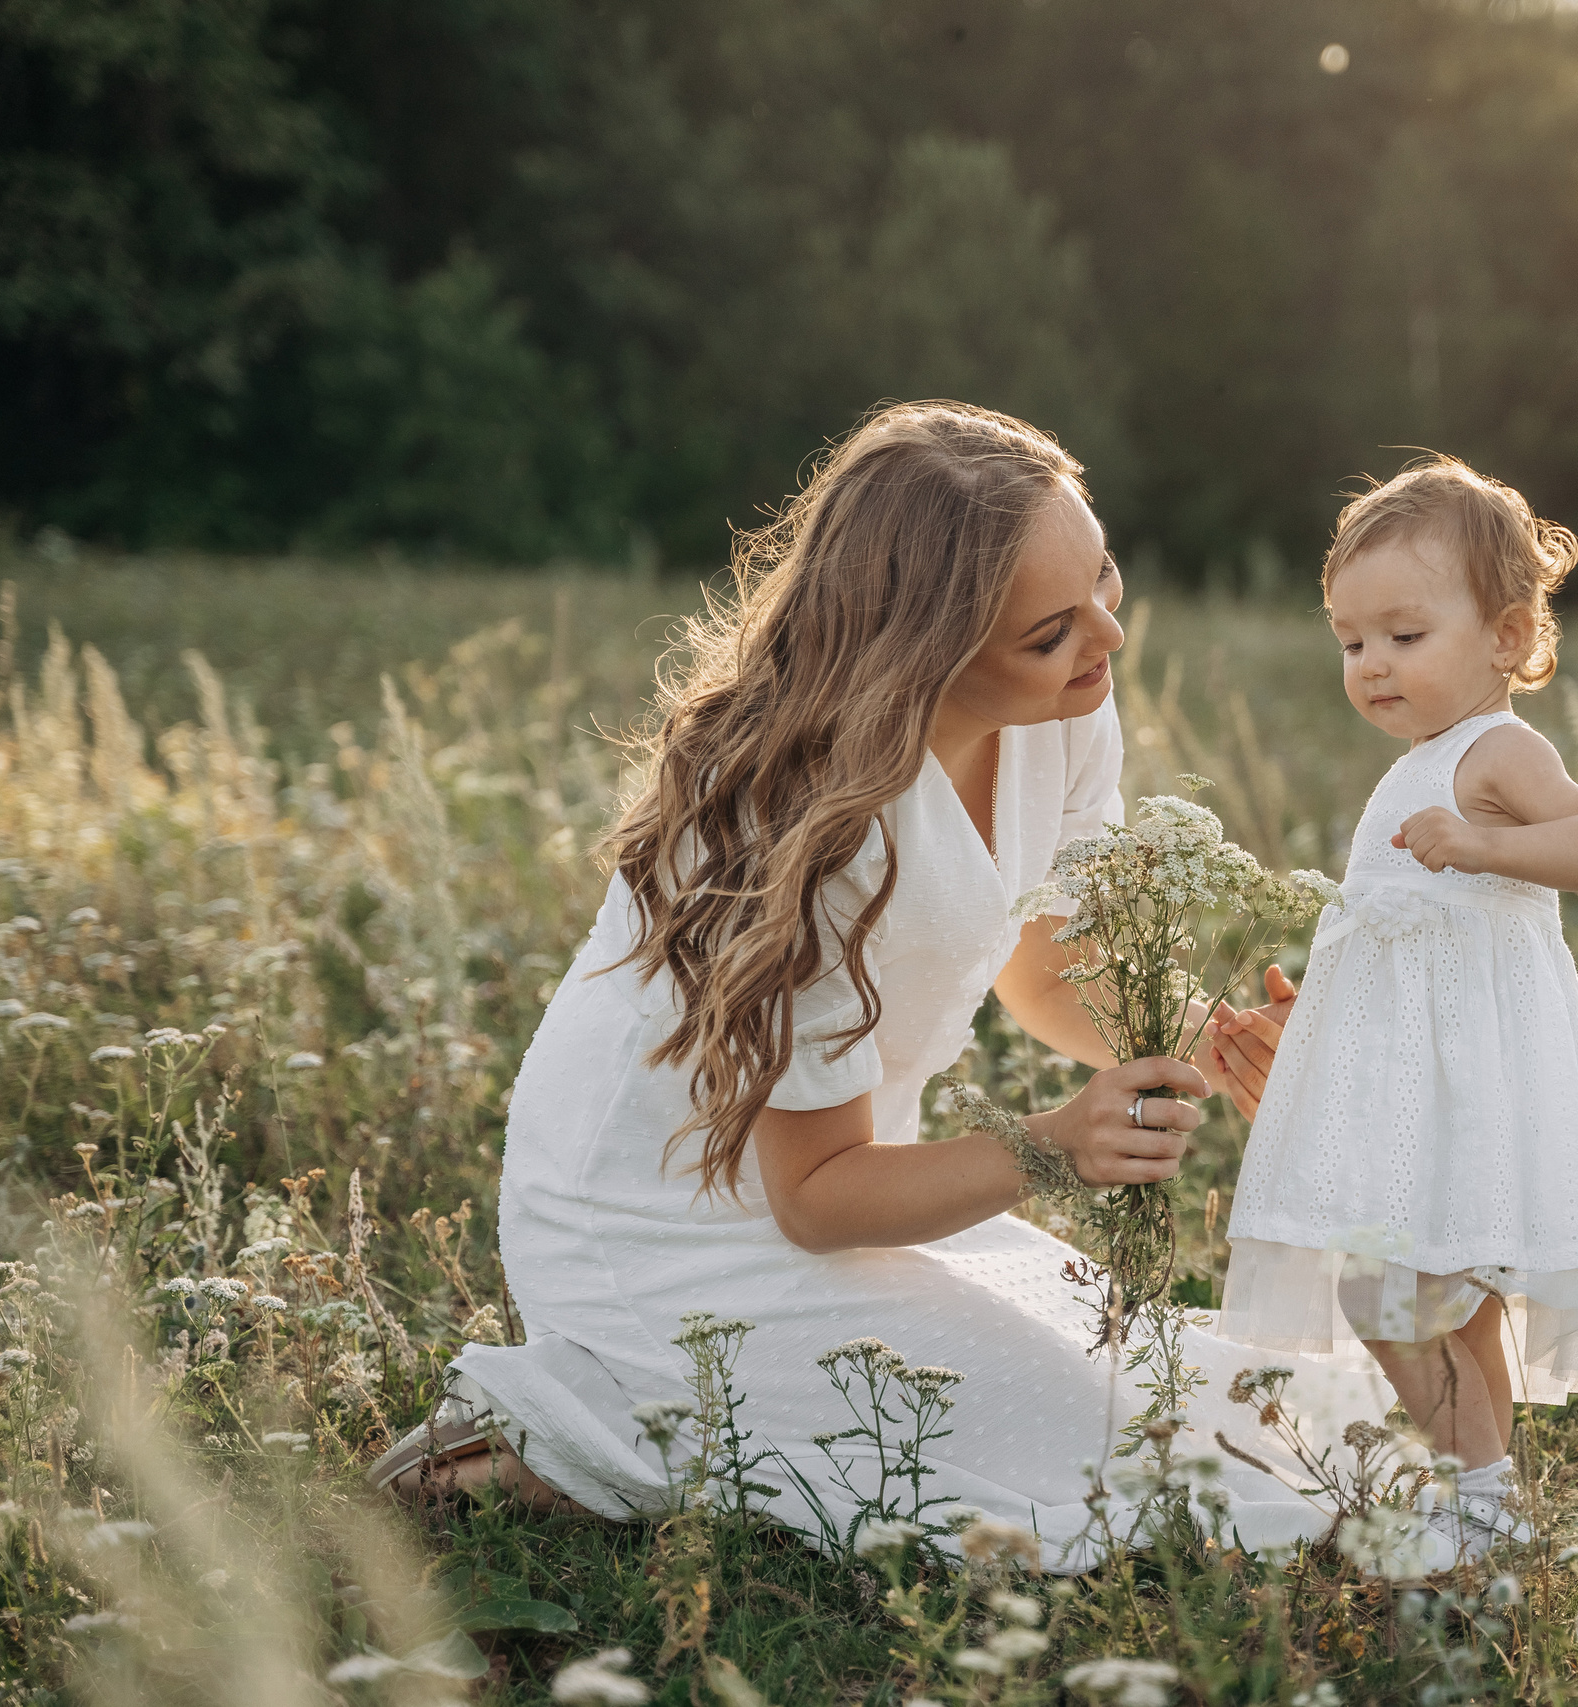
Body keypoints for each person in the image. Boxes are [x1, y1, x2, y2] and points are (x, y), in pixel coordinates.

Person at [371, 401, 1371, 1565]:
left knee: (1233, 1413)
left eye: (1105, 580)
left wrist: (1214, 1040)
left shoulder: (1058, 710)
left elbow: (1045, 971)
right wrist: (1052, 1146)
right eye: (1049, 629)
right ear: (927, 655)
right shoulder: (798, 828)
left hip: (855, 1185)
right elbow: (816, 1198)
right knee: (1132, 1465)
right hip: (668, 1223)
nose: (1104, 636)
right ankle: (568, 1435)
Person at [1213, 456, 1578, 1565]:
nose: (1371, 665)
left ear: (1504, 638)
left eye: (1404, 636)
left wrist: (1484, 843)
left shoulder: (1496, 750)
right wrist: (1336, 1012)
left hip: (1474, 1073)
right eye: (1351, 641)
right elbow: (1407, 935)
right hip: (1419, 1067)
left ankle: (1480, 1491)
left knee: (1388, 1281)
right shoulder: (1424, 761)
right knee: (1444, 1284)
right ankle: (1490, 1496)